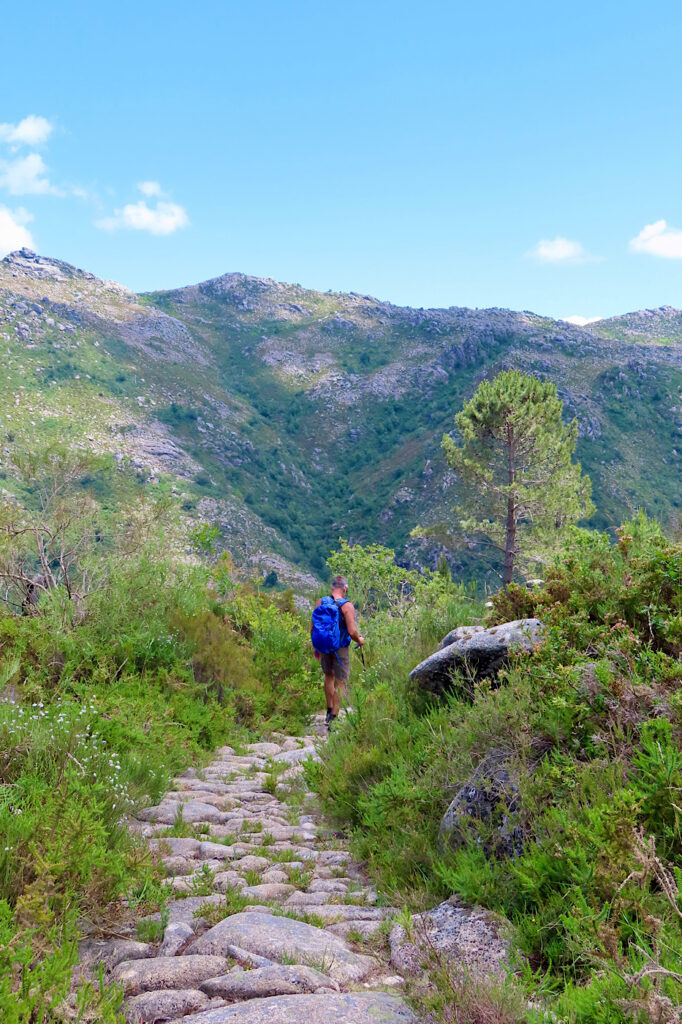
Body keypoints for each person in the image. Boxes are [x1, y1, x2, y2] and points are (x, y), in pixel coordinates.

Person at [311, 574, 364, 730]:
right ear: (345, 588)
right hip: (340, 648)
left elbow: (313, 627)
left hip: (324, 645)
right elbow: (352, 631)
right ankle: (334, 718)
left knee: (328, 676)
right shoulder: (347, 606)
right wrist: (360, 640)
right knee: (341, 682)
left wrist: (316, 647)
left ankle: (328, 710)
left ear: (332, 587)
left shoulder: (320, 602)